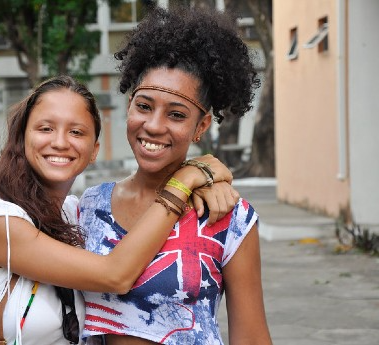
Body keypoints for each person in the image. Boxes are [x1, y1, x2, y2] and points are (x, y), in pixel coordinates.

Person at [0, 75, 237, 345]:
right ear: (22, 135)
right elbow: (115, 275)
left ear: (94, 150)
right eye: (45, 128)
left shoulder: (77, 213)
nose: (60, 142)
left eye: (77, 132)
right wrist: (184, 180)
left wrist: (208, 182)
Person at [78, 6, 272, 345]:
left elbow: (252, 337)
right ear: (129, 106)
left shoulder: (227, 216)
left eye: (177, 114)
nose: (153, 125)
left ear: (201, 126)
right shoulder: (90, 207)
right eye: (144, 106)